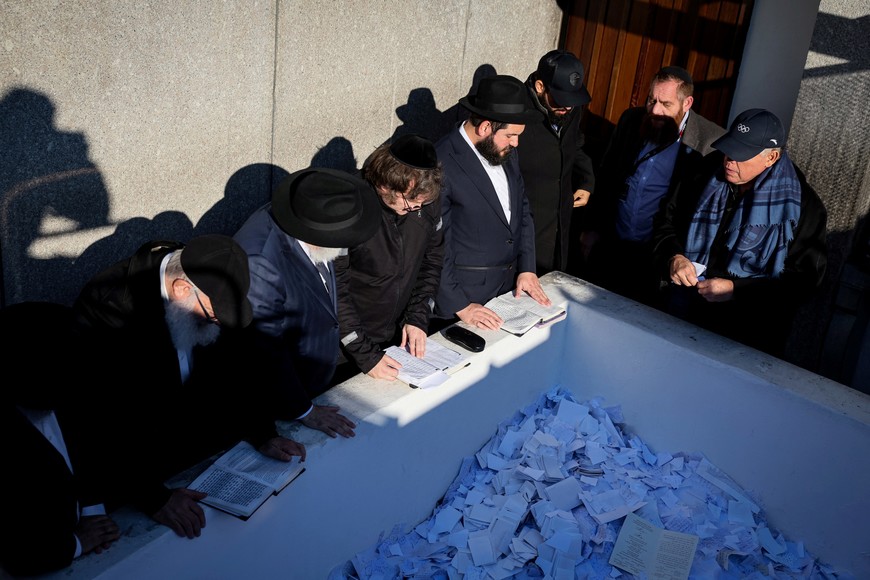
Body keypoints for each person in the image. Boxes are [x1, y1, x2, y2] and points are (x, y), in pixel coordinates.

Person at [65, 234, 306, 540]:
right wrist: (154, 498)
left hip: (195, 455)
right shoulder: (109, 310)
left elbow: (237, 370)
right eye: (213, 316)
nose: (218, 323)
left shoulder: (210, 289)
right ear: (181, 290)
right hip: (137, 470)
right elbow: (98, 420)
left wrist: (263, 433)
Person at [651, 108, 828, 357]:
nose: (729, 161)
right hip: (681, 315)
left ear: (772, 157)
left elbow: (803, 282)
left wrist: (737, 290)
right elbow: (665, 220)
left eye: (741, 155)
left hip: (746, 338)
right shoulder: (705, 172)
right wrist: (674, 257)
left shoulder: (803, 208)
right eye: (728, 149)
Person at [234, 168, 380, 433]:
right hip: (282, 402)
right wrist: (304, 410)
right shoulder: (260, 263)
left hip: (312, 378)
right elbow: (266, 350)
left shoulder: (308, 219)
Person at [581, 66, 725, 305]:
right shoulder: (631, 120)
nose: (655, 111)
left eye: (666, 104)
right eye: (651, 100)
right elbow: (607, 175)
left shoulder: (710, 143)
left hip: (657, 258)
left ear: (687, 103)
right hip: (613, 244)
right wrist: (592, 226)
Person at [0, 301, 120, 576]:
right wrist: (77, 543)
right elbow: (16, 549)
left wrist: (93, 513)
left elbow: (87, 450)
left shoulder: (61, 390)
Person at [433, 74, 552, 331]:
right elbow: (434, 245)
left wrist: (527, 268)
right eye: (510, 135)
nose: (516, 143)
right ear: (486, 127)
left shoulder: (504, 150)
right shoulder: (441, 162)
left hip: (507, 291)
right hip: (463, 304)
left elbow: (521, 209)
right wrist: (461, 305)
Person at [333, 134, 444, 381]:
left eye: (423, 204)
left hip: (394, 338)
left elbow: (431, 261)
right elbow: (334, 290)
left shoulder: (424, 204)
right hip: (345, 348)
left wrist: (417, 316)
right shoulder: (351, 209)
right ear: (385, 185)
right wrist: (365, 354)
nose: (416, 210)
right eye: (410, 202)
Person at [517, 49, 595, 275]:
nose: (568, 107)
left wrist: (587, 181)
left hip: (561, 227)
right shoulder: (517, 109)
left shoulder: (570, 106)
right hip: (528, 229)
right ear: (540, 87)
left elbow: (574, 145)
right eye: (561, 100)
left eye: (572, 100)